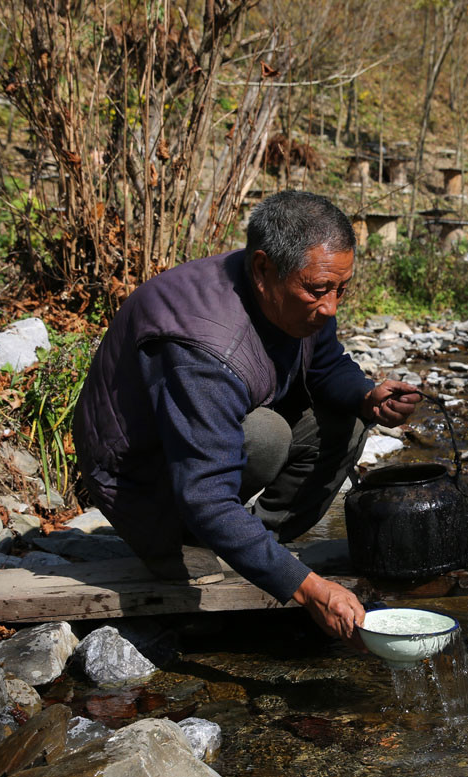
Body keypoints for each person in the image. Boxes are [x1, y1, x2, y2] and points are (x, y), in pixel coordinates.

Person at [73, 190, 422, 649]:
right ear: (262, 270)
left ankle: (255, 545)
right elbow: (206, 495)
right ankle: (189, 545)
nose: (332, 306)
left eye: (342, 289)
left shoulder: (301, 290)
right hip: (141, 484)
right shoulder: (202, 346)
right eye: (319, 291)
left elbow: (324, 363)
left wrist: (366, 396)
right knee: (267, 436)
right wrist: (309, 589)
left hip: (194, 449)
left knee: (347, 421)